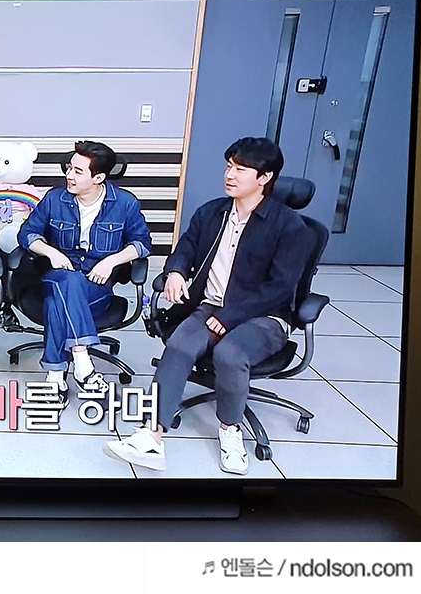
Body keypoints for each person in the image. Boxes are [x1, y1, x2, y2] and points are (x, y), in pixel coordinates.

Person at [105, 137, 310, 475]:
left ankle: (230, 430)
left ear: (264, 178)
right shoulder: (212, 212)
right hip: (211, 306)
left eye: (240, 169)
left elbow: (280, 288)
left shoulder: (289, 226)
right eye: (229, 166)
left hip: (264, 316)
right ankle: (151, 436)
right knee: (179, 346)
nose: (230, 174)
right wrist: (175, 272)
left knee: (229, 354)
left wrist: (231, 316)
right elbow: (185, 248)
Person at [17, 141, 152, 405]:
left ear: (98, 178)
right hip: (56, 276)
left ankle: (55, 377)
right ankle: (83, 363)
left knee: (57, 303)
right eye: (69, 168)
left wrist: (112, 261)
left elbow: (143, 243)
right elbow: (27, 234)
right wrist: (51, 252)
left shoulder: (124, 203)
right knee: (67, 280)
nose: (69, 175)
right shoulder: (55, 199)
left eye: (78, 171)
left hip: (96, 287)